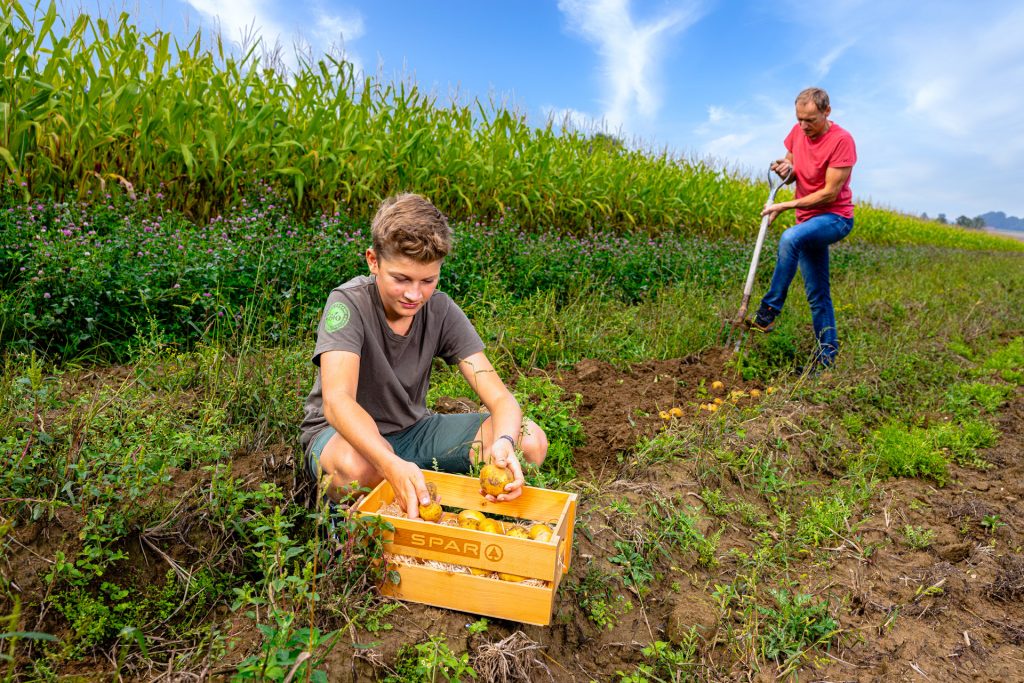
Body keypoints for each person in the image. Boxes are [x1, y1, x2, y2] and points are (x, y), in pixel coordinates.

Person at [299, 193, 548, 519]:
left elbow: (500, 398)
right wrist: (388, 462)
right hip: (342, 439)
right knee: (361, 470)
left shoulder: (440, 310)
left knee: (529, 441)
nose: (414, 295)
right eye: (401, 279)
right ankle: (348, 518)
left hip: (413, 431)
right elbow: (338, 401)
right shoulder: (348, 304)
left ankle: (423, 496)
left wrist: (503, 442)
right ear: (373, 261)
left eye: (427, 280)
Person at [750, 87, 857, 370]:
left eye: (810, 120)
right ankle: (827, 363)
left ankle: (768, 310)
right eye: (799, 119)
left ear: (827, 112)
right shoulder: (798, 132)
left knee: (790, 238)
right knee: (817, 294)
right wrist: (785, 168)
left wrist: (784, 206)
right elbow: (792, 166)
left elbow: (829, 194)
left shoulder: (842, 140)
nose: (803, 126)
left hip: (835, 218)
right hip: (807, 222)